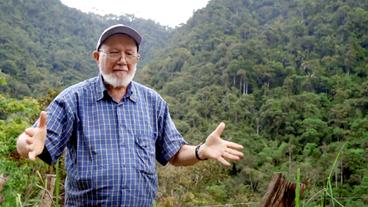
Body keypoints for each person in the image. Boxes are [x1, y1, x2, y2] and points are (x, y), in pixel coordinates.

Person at [16, 24, 244, 206]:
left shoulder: (153, 102)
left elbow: (174, 153)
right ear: (97, 56)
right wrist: (25, 144)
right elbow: (31, 141)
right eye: (114, 52)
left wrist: (201, 151)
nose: (122, 60)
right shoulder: (72, 99)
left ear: (137, 59)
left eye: (129, 53)